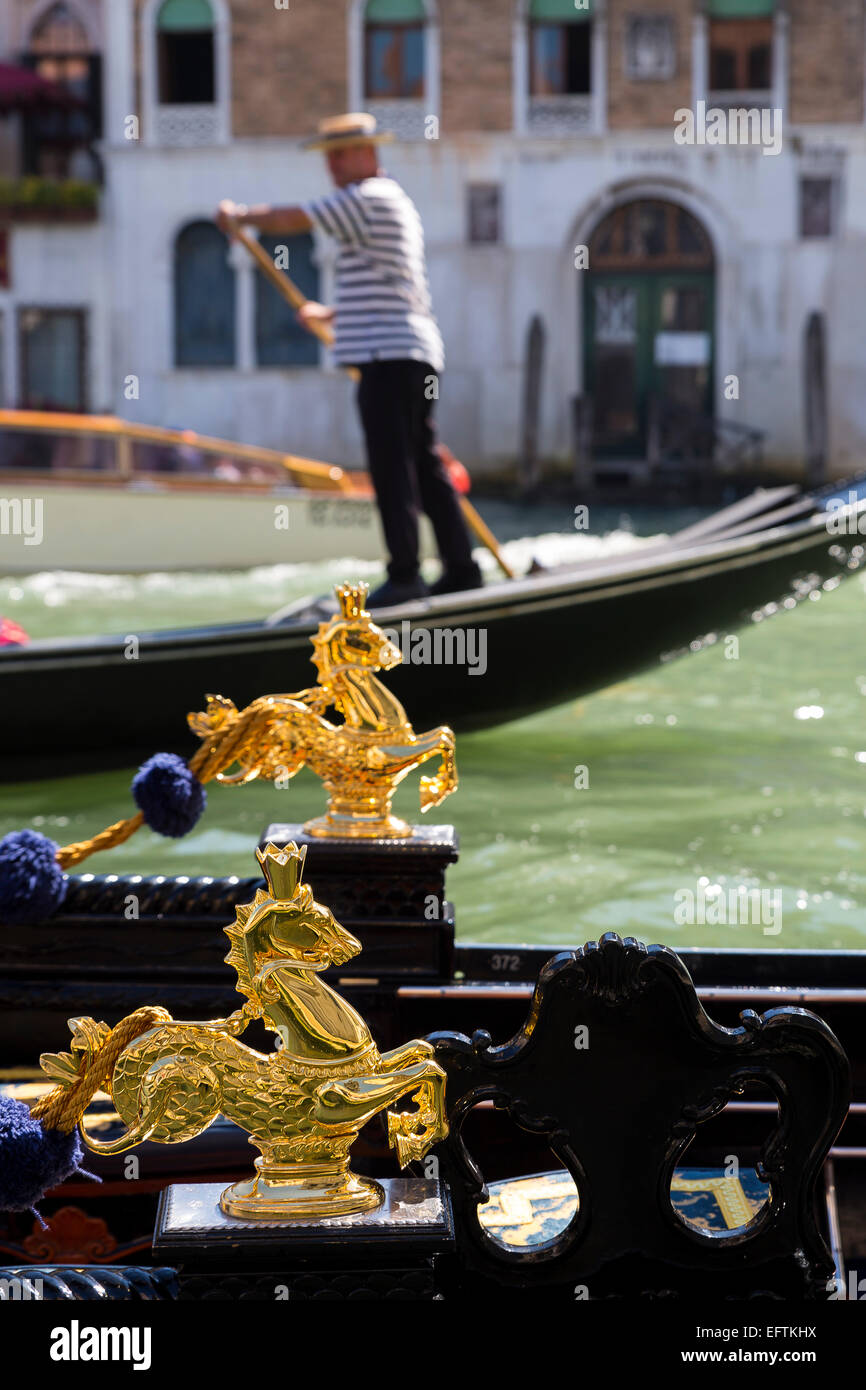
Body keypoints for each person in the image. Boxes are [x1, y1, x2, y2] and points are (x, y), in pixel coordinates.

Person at [217, 111, 482, 607]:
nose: (332, 165)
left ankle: (405, 574)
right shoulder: (388, 200)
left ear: (367, 152)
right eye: (328, 156)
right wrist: (332, 313)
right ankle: (462, 569)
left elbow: (295, 219)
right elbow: (392, 284)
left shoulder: (368, 198)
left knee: (392, 465)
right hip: (408, 351)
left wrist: (241, 217)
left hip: (389, 356)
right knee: (423, 463)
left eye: (339, 154)